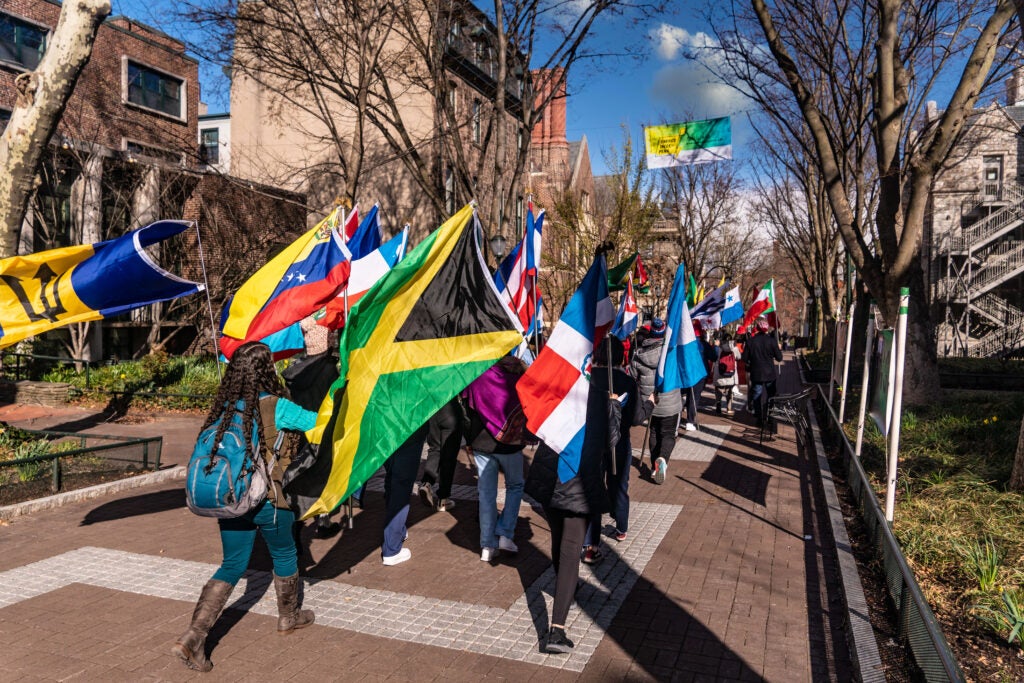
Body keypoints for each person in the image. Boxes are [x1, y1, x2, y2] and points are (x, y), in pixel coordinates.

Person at [173, 342, 315, 673]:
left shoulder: (224, 407)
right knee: (284, 555)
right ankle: (289, 617)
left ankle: (193, 637)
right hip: (267, 499)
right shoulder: (276, 406)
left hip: (232, 501)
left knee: (233, 563)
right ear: (267, 370)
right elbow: (316, 421)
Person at [524, 360, 614, 654]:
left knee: (560, 543)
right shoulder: (600, 396)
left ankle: (566, 587)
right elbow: (611, 439)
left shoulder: (557, 391)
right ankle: (556, 629)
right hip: (578, 483)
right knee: (571, 552)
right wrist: (615, 408)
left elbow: (534, 430)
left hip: (550, 478)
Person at [588, 336, 654, 548]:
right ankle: (621, 527)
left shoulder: (587, 378)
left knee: (594, 486)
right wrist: (650, 405)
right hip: (619, 443)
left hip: (593, 441)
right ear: (620, 356)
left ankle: (591, 541)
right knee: (619, 485)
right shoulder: (627, 381)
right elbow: (636, 418)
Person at [462, 356, 528, 562]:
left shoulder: (479, 375)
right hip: (512, 443)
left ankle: (487, 545)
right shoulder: (520, 376)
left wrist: (468, 438)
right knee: (515, 486)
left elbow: (466, 409)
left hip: (482, 441)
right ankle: (506, 534)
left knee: (486, 494)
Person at [632, 317, 682, 484]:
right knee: (668, 434)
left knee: (654, 432)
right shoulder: (671, 353)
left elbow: (632, 376)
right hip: (671, 402)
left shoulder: (639, 354)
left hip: (650, 402)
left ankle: (654, 467)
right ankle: (662, 459)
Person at [382, 423, 430, 565]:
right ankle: (392, 548)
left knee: (392, 478)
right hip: (409, 430)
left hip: (385, 428)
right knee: (401, 486)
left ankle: (398, 531)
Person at [419, 399, 463, 512]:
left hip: (432, 409)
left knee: (435, 449)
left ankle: (427, 482)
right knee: (449, 456)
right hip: (451, 409)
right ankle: (443, 499)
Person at [742, 317, 784, 427]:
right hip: (769, 373)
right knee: (771, 395)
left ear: (757, 328)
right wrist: (778, 349)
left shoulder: (751, 341)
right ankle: (770, 415)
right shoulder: (772, 341)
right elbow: (779, 358)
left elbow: (744, 359)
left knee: (756, 395)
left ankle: (759, 417)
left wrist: (752, 360)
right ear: (766, 329)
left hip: (756, 372)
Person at [713, 333, 739, 416]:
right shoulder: (734, 348)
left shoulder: (719, 348)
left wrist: (716, 346)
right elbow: (739, 357)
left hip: (719, 375)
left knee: (718, 390)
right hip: (731, 374)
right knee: (729, 391)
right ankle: (729, 408)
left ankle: (718, 404)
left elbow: (714, 357)